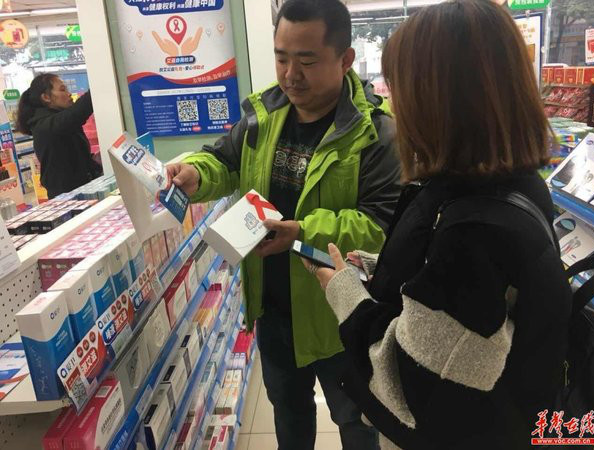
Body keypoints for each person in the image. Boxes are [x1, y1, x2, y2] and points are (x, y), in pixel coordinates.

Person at [304, 1, 572, 449]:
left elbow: (410, 386)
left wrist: (344, 292)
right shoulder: (504, 184)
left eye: (399, 88)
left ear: (439, 100)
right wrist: (384, 269)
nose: (392, 103)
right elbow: (455, 313)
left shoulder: (476, 234)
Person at [167, 0, 402, 448]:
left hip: (340, 314)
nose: (290, 75)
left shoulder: (375, 132)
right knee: (289, 415)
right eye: (281, 58)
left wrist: (303, 232)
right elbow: (223, 159)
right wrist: (196, 173)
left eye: (307, 61)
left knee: (357, 422)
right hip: (273, 309)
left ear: (345, 59)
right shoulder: (262, 116)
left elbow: (378, 225)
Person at [16, 74, 101, 198]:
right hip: (66, 198)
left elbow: (69, 156)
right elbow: (75, 114)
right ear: (46, 97)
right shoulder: (44, 125)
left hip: (82, 191)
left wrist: (93, 161)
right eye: (62, 90)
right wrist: (98, 85)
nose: (69, 94)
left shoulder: (59, 121)